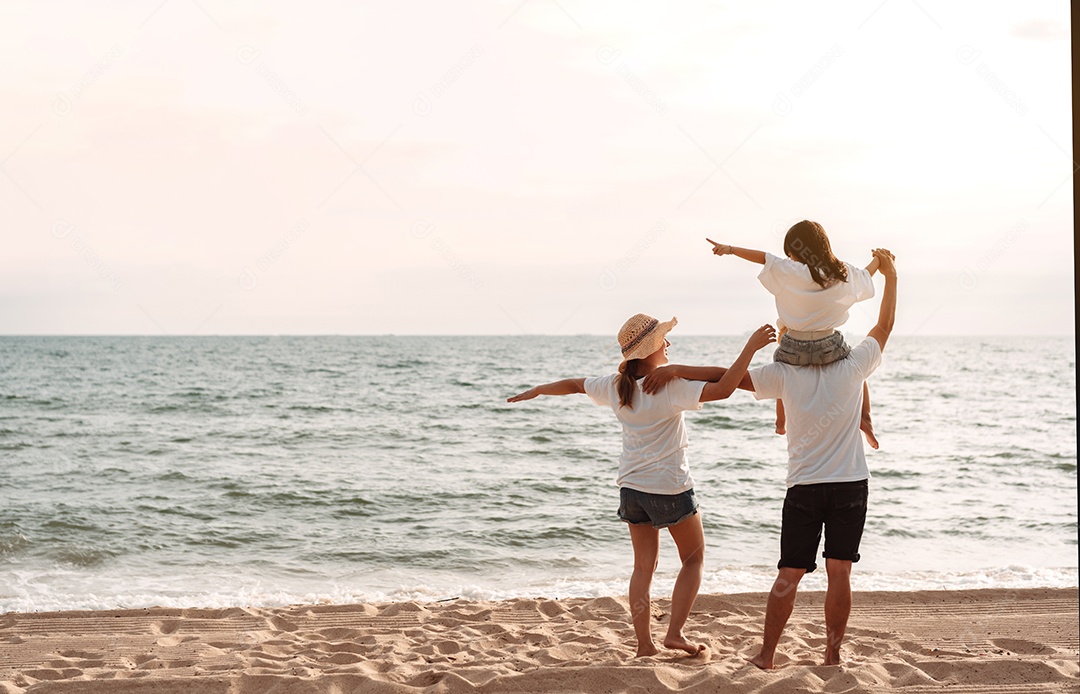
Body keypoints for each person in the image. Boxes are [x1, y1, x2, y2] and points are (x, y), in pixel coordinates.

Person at [644, 248, 897, 667]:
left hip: (803, 488)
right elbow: (884, 324)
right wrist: (890, 276)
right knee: (840, 573)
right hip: (850, 484)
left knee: (789, 575)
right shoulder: (854, 365)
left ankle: (766, 655)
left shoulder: (783, 374)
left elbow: (727, 377)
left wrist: (677, 369)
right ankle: (832, 657)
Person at [507, 314, 776, 658]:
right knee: (694, 560)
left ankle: (645, 644)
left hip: (632, 488)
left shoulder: (615, 385)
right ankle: (675, 634)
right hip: (670, 487)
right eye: (664, 341)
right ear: (651, 350)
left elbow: (574, 384)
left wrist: (539, 390)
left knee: (642, 568)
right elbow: (725, 387)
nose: (669, 344)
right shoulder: (666, 386)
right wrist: (750, 348)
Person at [707, 220, 881, 448]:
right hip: (829, 347)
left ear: (795, 251)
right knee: (858, 369)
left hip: (793, 348)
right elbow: (865, 276)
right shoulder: (838, 272)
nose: (788, 258)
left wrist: (730, 249)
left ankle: (781, 421)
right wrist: (879, 259)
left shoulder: (790, 270)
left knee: (782, 375)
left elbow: (763, 257)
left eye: (789, 253)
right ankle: (865, 416)